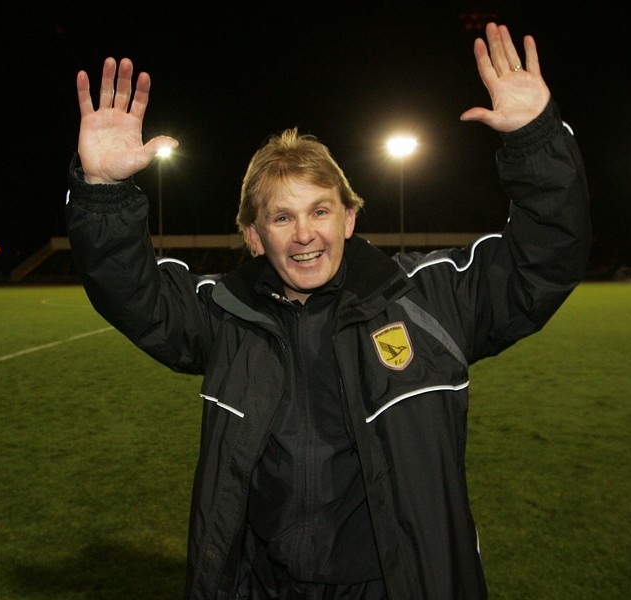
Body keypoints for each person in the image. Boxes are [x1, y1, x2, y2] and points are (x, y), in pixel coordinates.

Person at [65, 22, 590, 600]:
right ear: (255, 236)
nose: (304, 234)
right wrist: (104, 191)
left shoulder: (425, 298)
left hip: (394, 585)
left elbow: (542, 263)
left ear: (349, 218)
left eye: (320, 211)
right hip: (264, 584)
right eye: (282, 217)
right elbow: (131, 293)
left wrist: (536, 141)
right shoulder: (226, 313)